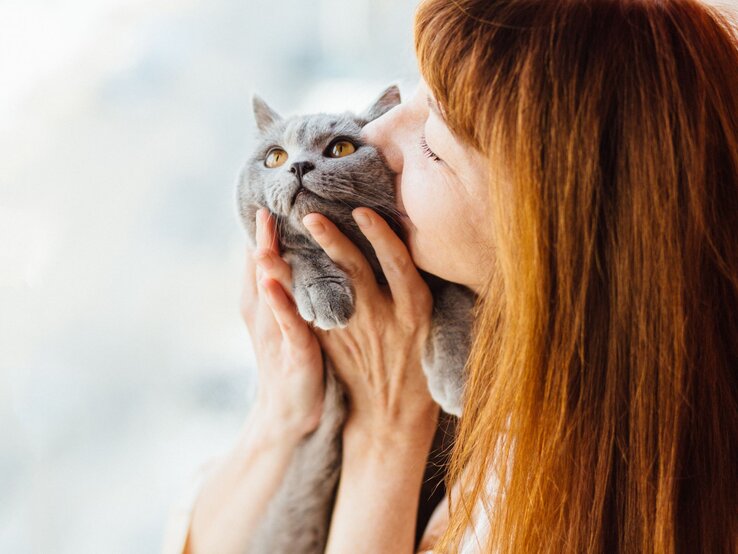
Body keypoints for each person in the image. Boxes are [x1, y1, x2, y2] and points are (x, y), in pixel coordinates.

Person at [167, 0, 738, 552]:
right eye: (415, 93)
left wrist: (388, 425)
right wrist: (283, 412)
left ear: (542, 240)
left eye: (434, 147)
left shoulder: (536, 485)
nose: (377, 136)